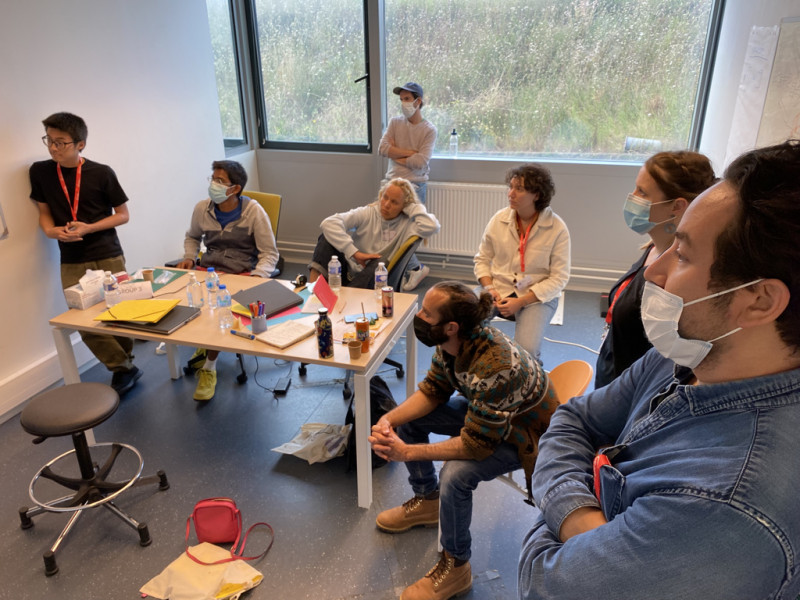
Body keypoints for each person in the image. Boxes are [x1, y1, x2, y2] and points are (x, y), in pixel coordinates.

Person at [518, 140, 800, 600]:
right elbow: (574, 419)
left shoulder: (725, 510)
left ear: (759, 300)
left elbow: (541, 579)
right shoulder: (687, 353)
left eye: (683, 255)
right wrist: (581, 521)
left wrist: (559, 500)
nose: (654, 271)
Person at [370, 281, 559, 600]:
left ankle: (456, 566)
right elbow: (433, 391)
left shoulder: (495, 364)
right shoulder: (451, 343)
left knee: (455, 475)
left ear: (451, 326)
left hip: (525, 433)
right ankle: (428, 501)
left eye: (426, 313)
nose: (419, 316)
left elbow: (474, 446)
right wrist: (389, 419)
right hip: (491, 416)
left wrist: (407, 452)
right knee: (410, 419)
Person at [30, 112, 142, 396]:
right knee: (82, 319)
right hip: (71, 256)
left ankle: (126, 364)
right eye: (49, 140)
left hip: (107, 252)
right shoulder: (40, 171)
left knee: (119, 312)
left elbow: (123, 215)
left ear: (80, 144)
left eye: (61, 142)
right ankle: (123, 368)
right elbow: (44, 212)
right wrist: (51, 231)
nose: (53, 148)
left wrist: (89, 227)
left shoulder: (102, 173)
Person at [595, 151, 716, 388]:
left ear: (676, 206)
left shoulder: (673, 279)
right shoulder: (653, 248)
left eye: (642, 192)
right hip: (612, 373)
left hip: (629, 391)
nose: (632, 197)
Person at [176, 160, 279, 401]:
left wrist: (257, 277)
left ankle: (209, 368)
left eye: (220, 181)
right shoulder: (202, 209)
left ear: (235, 188)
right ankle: (205, 345)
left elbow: (269, 253)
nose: (214, 184)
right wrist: (189, 257)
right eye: (213, 179)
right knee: (185, 302)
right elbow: (192, 237)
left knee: (219, 314)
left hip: (241, 273)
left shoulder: (253, 212)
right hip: (208, 271)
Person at [474, 163, 570, 363]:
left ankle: (530, 375)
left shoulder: (557, 228)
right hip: (498, 289)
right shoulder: (498, 219)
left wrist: (522, 301)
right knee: (462, 324)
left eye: (519, 189)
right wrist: (489, 288)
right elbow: (482, 259)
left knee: (526, 351)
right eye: (510, 187)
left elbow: (559, 278)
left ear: (536, 195)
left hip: (536, 296)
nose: (511, 194)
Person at [307, 177, 440, 289]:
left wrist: (413, 206)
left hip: (375, 279)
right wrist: (354, 253)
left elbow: (432, 226)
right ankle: (313, 292)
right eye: (385, 197)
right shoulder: (368, 212)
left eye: (394, 202)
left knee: (380, 262)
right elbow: (328, 222)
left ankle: (349, 296)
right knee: (326, 238)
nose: (386, 204)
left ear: (404, 206)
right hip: (347, 272)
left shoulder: (407, 224)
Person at [378, 82, 437, 291]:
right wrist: (410, 153)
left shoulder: (429, 130)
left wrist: (396, 154)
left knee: (407, 233)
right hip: (391, 183)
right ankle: (414, 268)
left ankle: (414, 268)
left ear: (418, 102)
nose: (403, 103)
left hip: (415, 186)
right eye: (401, 99)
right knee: (388, 230)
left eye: (407, 99)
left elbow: (421, 162)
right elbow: (382, 149)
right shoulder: (395, 122)